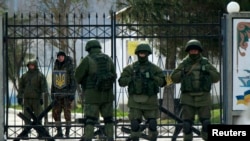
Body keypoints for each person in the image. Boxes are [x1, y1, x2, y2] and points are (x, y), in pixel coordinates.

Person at [170, 39, 220, 141]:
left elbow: (216, 78)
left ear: (199, 51)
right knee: (187, 125)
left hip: (203, 97)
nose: (193, 52)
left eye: (195, 50)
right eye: (191, 50)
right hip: (188, 98)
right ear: (188, 51)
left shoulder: (205, 62)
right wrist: (182, 72)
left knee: (206, 123)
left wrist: (207, 70)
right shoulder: (184, 63)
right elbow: (174, 78)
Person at [118, 42, 166, 141]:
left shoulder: (154, 68)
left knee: (152, 124)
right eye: (141, 52)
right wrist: (131, 78)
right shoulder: (131, 68)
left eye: (144, 52)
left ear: (148, 53)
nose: (142, 54)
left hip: (150, 102)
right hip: (135, 102)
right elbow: (121, 82)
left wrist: (153, 77)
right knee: (135, 125)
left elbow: (163, 82)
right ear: (137, 53)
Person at [75, 39, 116, 141]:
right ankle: (110, 138)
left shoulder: (87, 60)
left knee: (90, 120)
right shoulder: (108, 59)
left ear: (88, 49)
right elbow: (114, 75)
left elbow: (77, 76)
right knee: (108, 119)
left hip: (92, 95)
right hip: (107, 95)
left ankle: (88, 138)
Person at [17, 60, 49, 137]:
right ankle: (26, 133)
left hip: (37, 99)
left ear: (35, 65)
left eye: (32, 65)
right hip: (27, 99)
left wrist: (42, 97)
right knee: (26, 116)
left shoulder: (40, 75)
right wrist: (20, 96)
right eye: (29, 65)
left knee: (38, 117)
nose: (31, 66)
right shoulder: (24, 76)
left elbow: (44, 88)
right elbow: (21, 87)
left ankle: (40, 132)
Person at [51, 51, 77, 138]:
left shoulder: (69, 66)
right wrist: (52, 92)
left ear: (64, 57)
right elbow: (54, 80)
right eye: (59, 57)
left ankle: (67, 132)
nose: (60, 58)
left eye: (62, 56)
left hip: (67, 94)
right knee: (55, 113)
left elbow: (74, 80)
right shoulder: (56, 65)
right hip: (57, 94)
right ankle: (59, 132)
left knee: (67, 114)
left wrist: (72, 92)